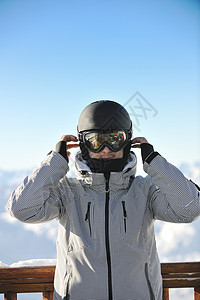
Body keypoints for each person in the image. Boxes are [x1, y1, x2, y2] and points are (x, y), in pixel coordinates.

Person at [7, 100, 200, 300]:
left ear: (127, 142)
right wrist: (55, 161)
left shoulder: (145, 191)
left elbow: (191, 208)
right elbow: (22, 208)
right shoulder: (67, 192)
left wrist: (154, 161)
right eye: (96, 141)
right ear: (83, 144)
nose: (106, 149)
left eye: (115, 139)